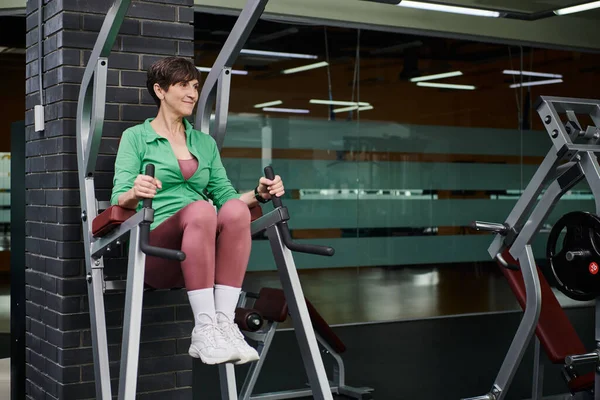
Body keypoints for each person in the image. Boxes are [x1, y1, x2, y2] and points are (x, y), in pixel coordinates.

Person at [110, 56, 285, 366]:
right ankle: (204, 329)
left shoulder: (204, 143)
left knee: (233, 209)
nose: (192, 93)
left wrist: (260, 194)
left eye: (195, 86)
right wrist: (135, 192)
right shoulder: (136, 138)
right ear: (160, 91)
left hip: (203, 254)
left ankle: (223, 323)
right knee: (203, 210)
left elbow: (226, 197)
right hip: (157, 252)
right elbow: (118, 200)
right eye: (183, 85)